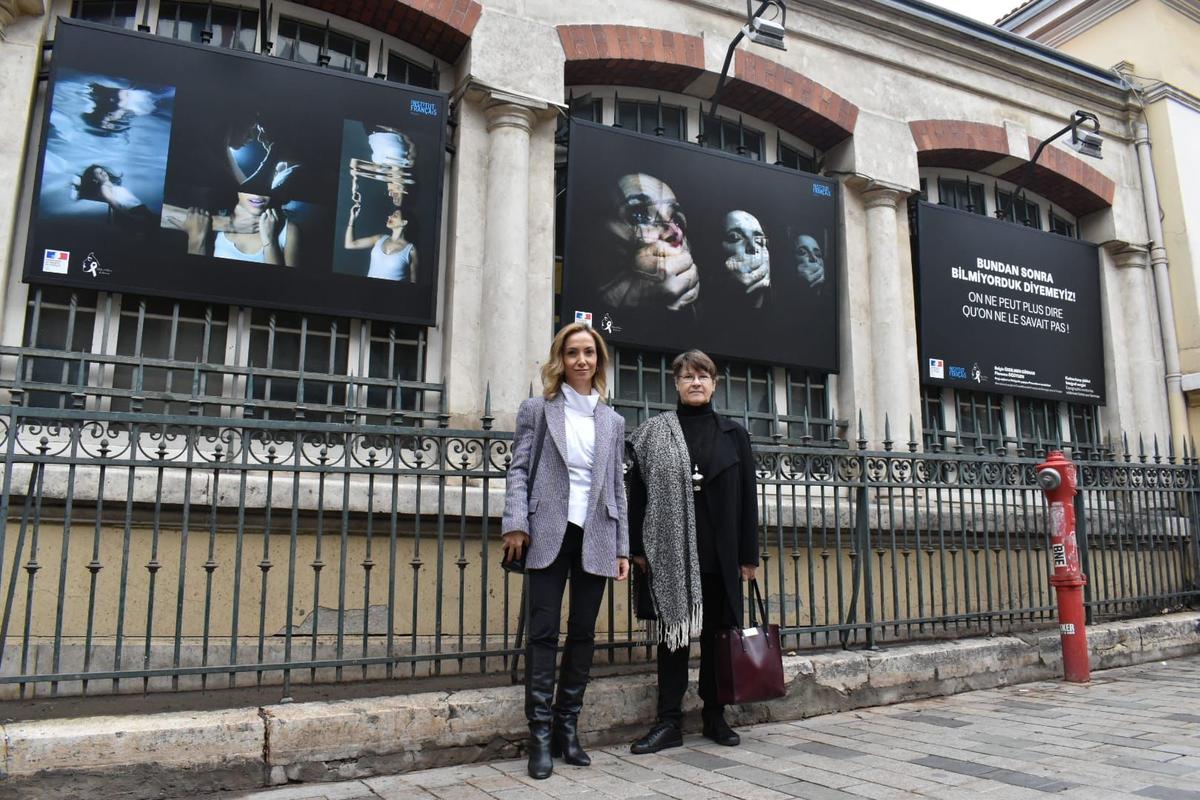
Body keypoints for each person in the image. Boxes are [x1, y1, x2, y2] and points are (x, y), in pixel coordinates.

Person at [501, 322, 631, 779]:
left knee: (582, 633)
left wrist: (623, 548)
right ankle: (538, 735)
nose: (581, 360)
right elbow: (518, 470)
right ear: (561, 358)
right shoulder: (538, 409)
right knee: (542, 633)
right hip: (547, 531)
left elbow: (616, 486)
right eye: (573, 352)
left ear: (599, 361)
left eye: (589, 353)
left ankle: (566, 729)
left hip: (595, 533)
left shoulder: (612, 421)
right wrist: (516, 523)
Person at [627, 349, 758, 754]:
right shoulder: (653, 433)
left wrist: (748, 556)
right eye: (687, 376)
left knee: (719, 639)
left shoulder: (734, 435)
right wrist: (635, 549)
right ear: (676, 384)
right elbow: (636, 494)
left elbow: (748, 500)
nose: (695, 382)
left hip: (720, 556)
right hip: (670, 557)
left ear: (715, 383)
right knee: (673, 640)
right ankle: (668, 722)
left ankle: (714, 715)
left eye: (703, 375)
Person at [74, 165, 157, 233]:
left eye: (103, 171)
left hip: (140, 210)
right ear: (95, 179)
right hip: (134, 211)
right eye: (99, 173)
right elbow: (112, 202)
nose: (103, 173)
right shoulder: (104, 188)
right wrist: (130, 217)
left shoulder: (110, 186)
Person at [344, 204, 417, 282]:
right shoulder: (379, 238)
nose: (389, 216)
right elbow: (349, 244)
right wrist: (352, 219)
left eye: (395, 215)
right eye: (391, 214)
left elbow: (414, 282)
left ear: (404, 222)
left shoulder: (411, 250)